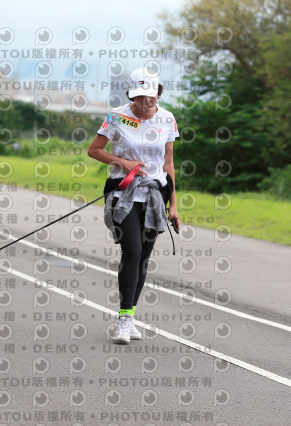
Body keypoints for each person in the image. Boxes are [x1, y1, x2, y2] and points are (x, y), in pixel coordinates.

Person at [88, 67, 180, 344]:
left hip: (155, 196)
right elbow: (94, 150)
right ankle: (124, 322)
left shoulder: (167, 118)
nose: (146, 101)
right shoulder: (117, 116)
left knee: (143, 258)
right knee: (132, 250)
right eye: (140, 97)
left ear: (158, 93)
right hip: (123, 194)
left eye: (151, 95)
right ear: (132, 95)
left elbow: (168, 163)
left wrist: (174, 204)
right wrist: (122, 162)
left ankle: (130, 313)